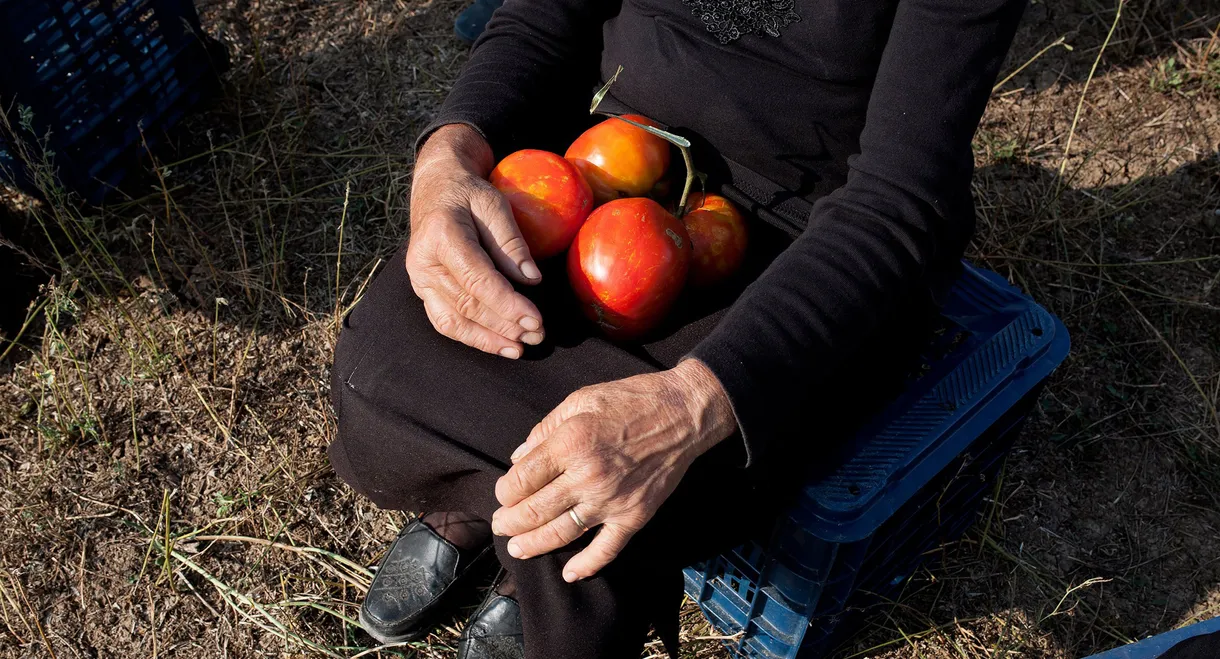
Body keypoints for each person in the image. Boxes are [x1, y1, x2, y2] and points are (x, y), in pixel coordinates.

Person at [329, 0, 1028, 657]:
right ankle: (485, 508)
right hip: (610, 157)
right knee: (380, 359)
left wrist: (693, 402)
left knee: (605, 516)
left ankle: (517, 556)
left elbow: (898, 200)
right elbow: (546, 16)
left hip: (802, 246)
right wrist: (448, 151)